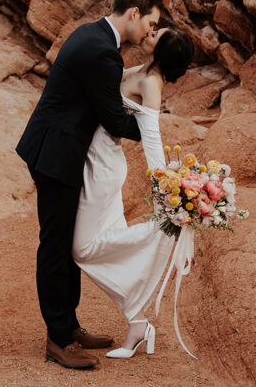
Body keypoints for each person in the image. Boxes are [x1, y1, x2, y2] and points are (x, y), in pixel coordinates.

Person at [15, 0, 162, 370]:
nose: (149, 31)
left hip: (61, 149)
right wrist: (153, 126)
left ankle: (71, 325)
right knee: (55, 246)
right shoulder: (101, 52)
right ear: (134, 13)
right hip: (56, 155)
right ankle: (58, 339)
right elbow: (112, 117)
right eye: (150, 22)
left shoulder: (94, 35)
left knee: (66, 242)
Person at [72, 26, 194, 359]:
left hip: (104, 164)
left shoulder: (151, 84)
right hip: (90, 155)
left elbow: (151, 138)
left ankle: (138, 314)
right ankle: (137, 323)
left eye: (158, 34)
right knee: (99, 237)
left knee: (82, 249)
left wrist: (166, 190)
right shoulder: (137, 71)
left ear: (162, 50)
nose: (150, 32)